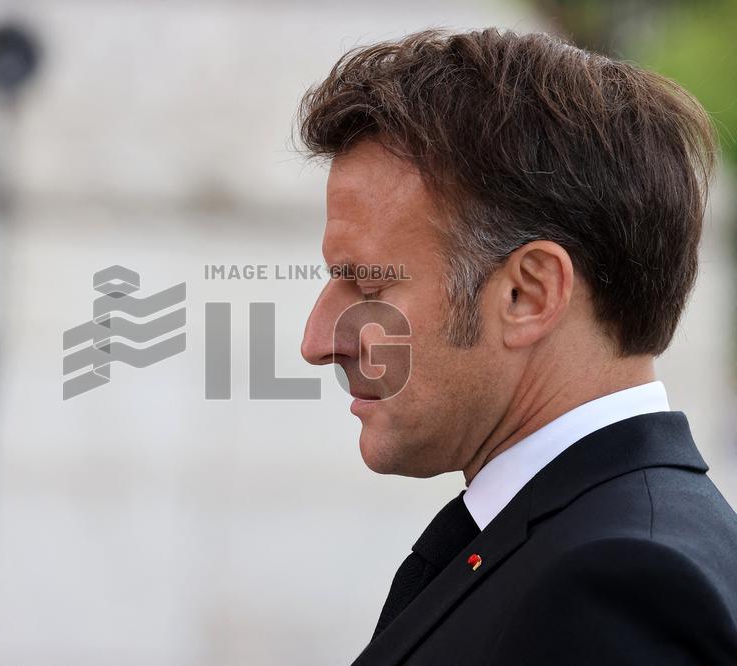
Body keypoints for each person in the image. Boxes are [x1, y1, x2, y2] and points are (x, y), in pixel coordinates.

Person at [298, 28, 737, 664]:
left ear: (528, 295)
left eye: (367, 284)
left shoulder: (617, 586)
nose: (318, 343)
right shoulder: (589, 541)